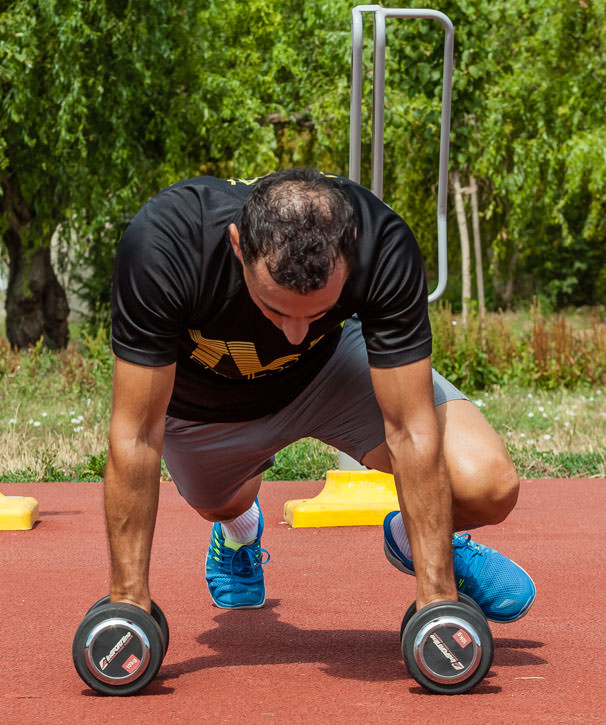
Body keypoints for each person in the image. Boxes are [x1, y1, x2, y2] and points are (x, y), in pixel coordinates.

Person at [104, 168, 535, 622]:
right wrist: (128, 607)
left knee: (487, 485)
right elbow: (136, 436)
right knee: (218, 504)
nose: (294, 335)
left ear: (350, 245)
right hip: (207, 407)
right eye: (276, 308)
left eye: (317, 312)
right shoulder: (166, 243)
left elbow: (411, 429)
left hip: (333, 371)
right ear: (237, 244)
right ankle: (239, 529)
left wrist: (438, 598)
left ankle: (419, 538)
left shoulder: (379, 240)